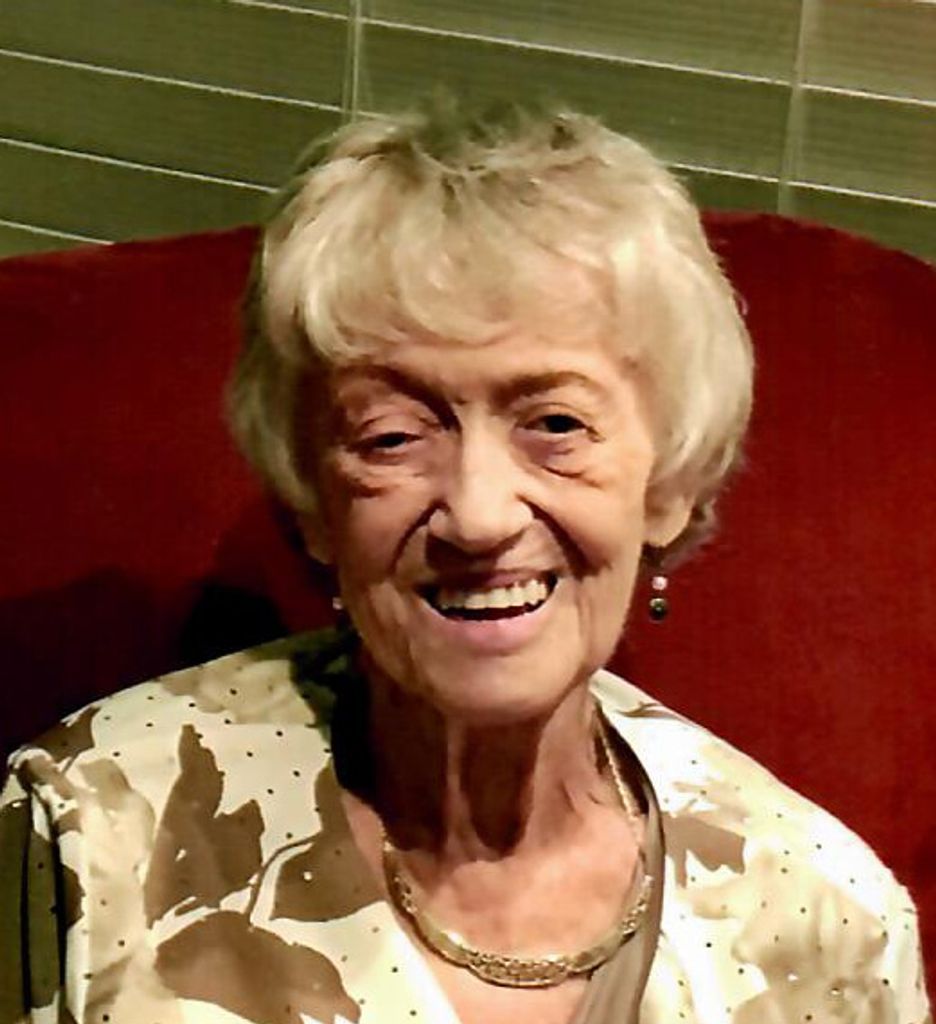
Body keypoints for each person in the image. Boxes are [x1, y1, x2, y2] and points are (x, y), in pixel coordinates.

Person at [0, 103, 929, 1024]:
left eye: (556, 424)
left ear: (667, 485)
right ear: (313, 503)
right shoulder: (95, 832)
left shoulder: (826, 923)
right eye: (392, 436)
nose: (480, 517)